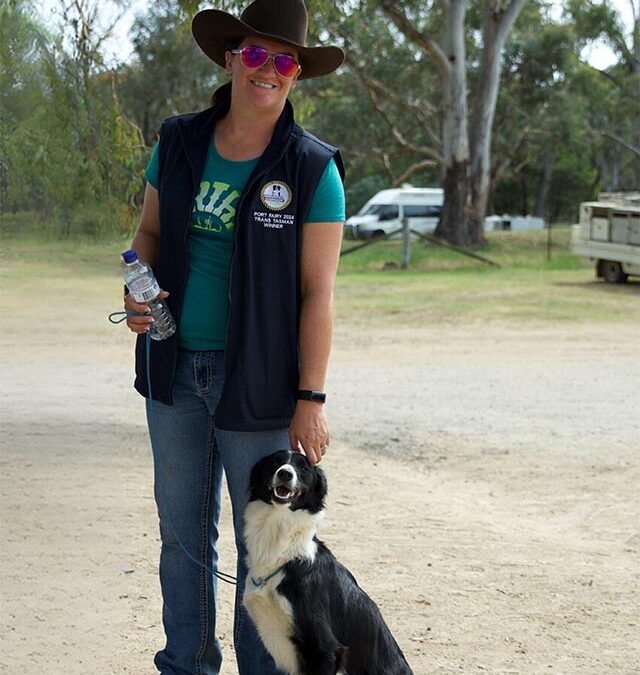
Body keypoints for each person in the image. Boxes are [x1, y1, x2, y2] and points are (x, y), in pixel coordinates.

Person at [123, 0, 345, 673]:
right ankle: (186, 663)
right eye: (256, 54)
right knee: (181, 536)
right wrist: (134, 294)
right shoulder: (181, 141)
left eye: (284, 61)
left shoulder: (313, 169)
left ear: (296, 76)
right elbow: (150, 235)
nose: (268, 70)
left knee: (266, 547)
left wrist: (311, 396)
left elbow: (319, 295)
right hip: (173, 373)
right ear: (230, 59)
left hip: (260, 384)